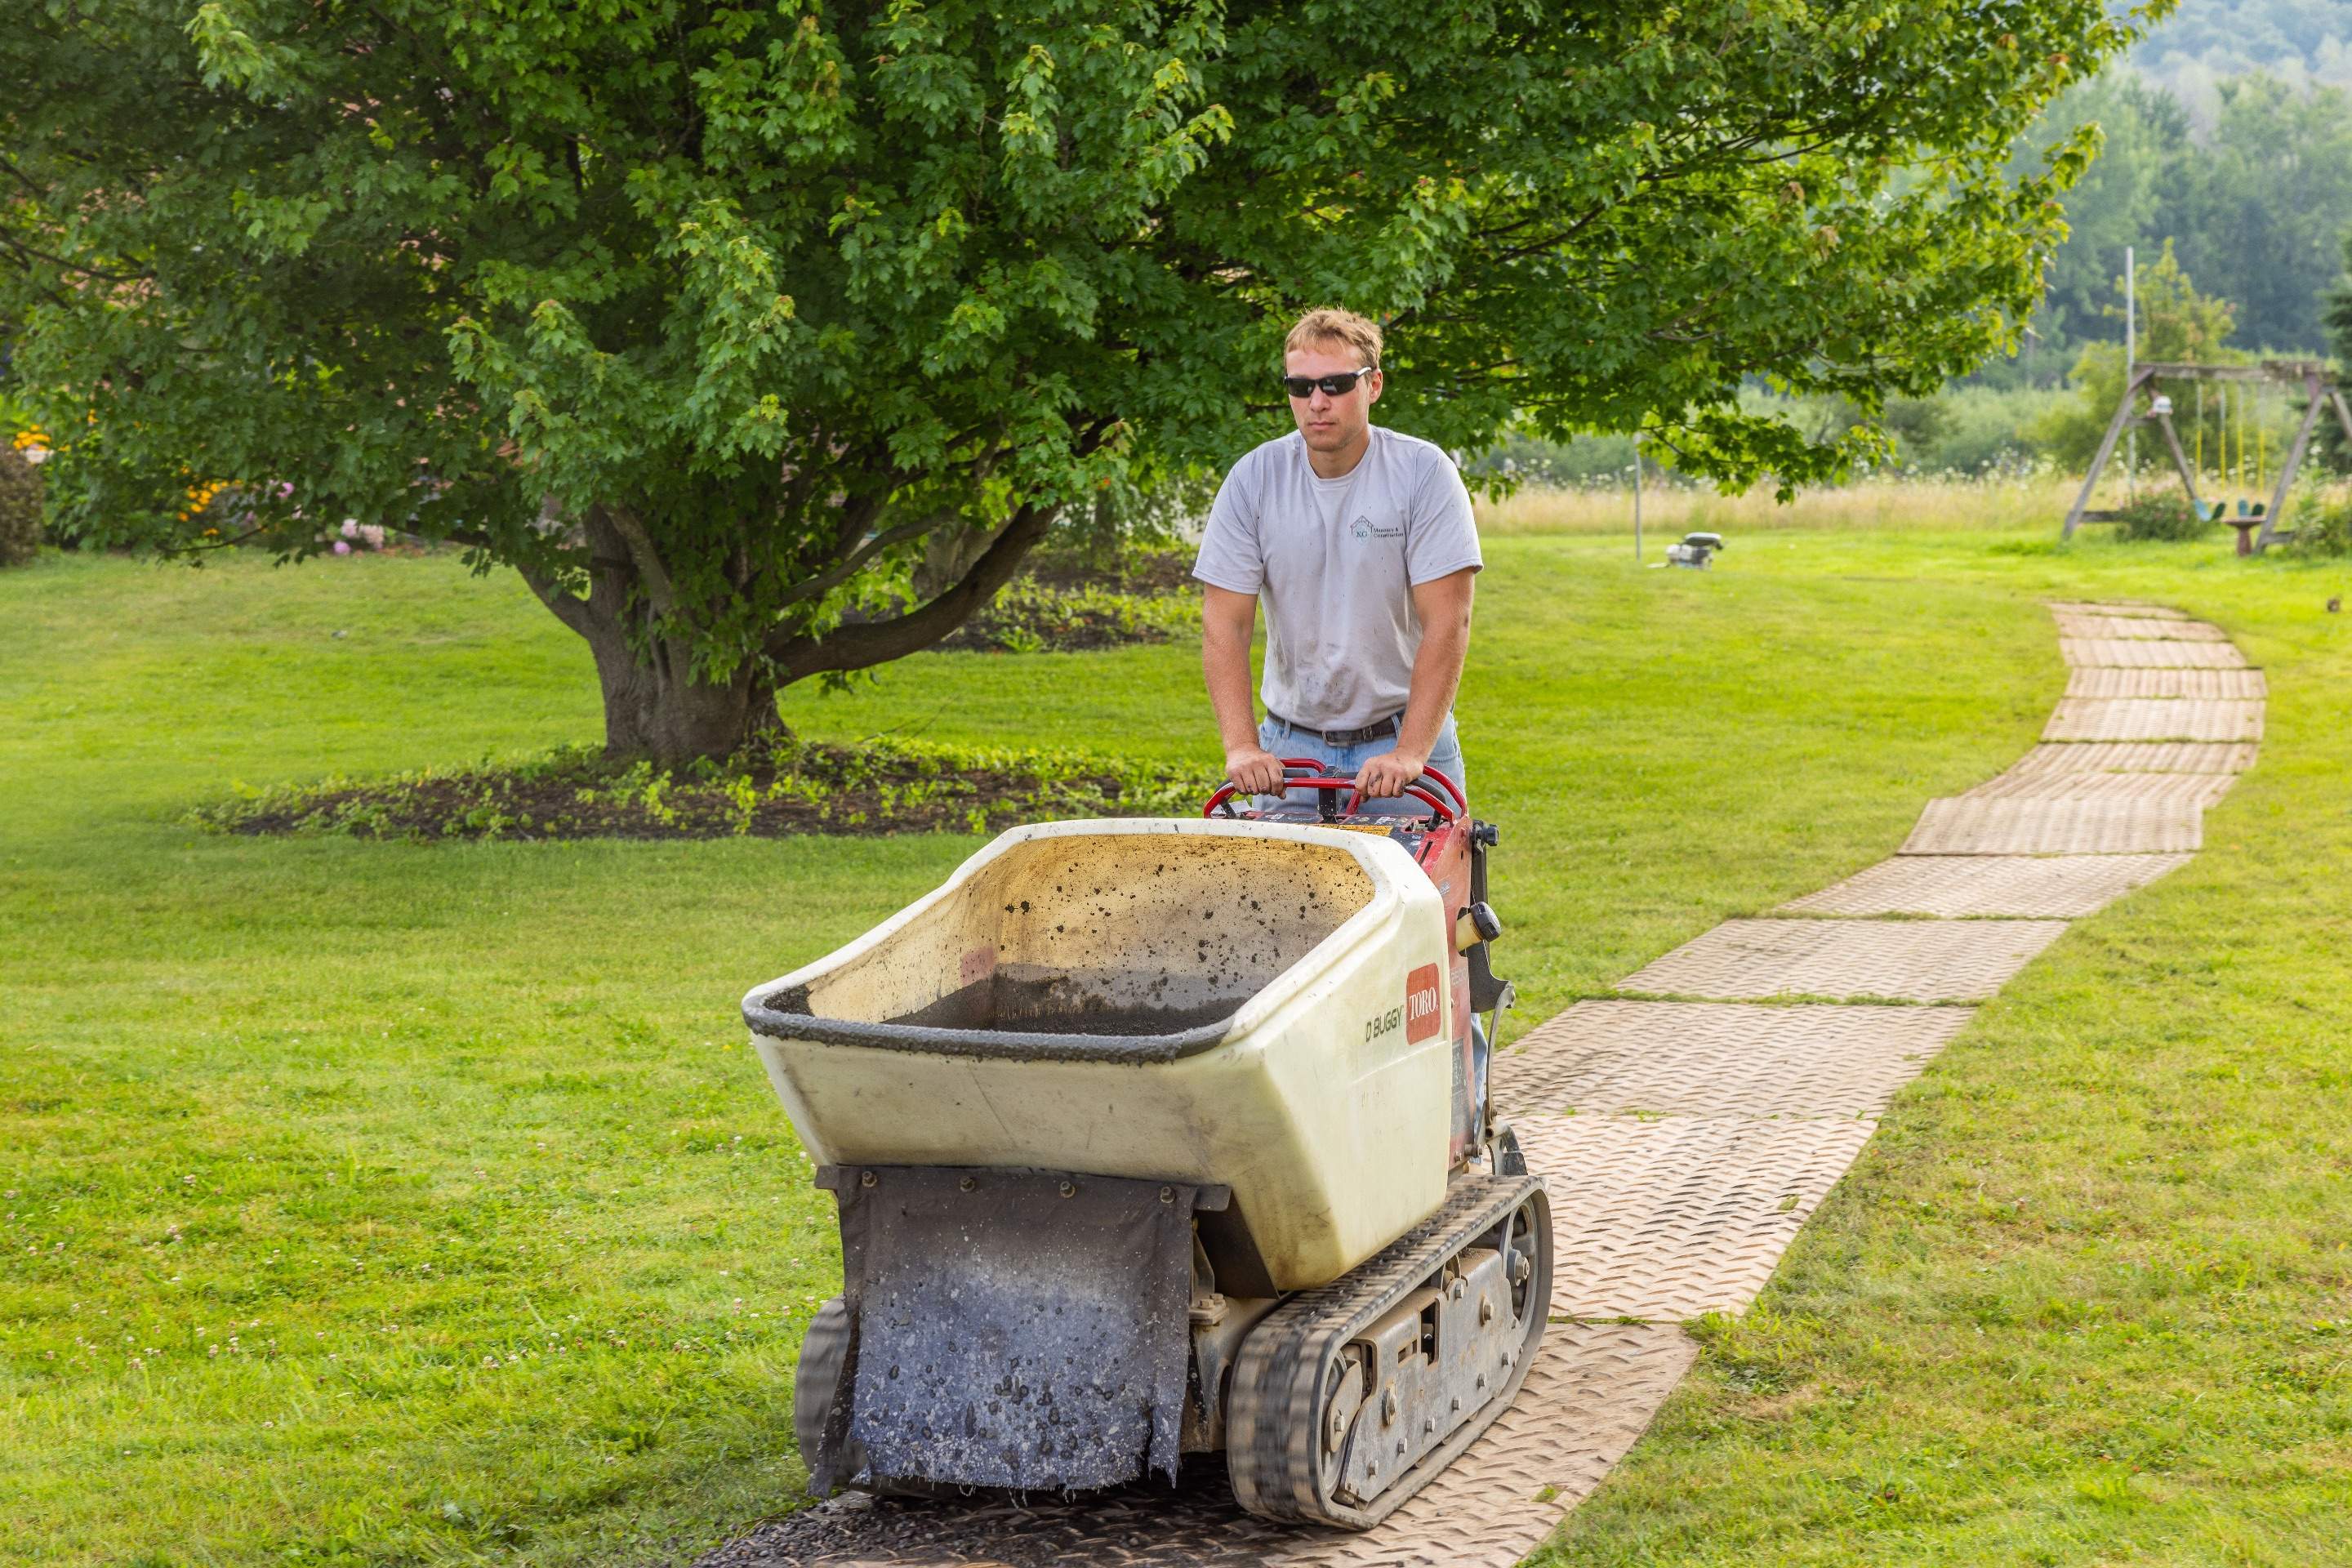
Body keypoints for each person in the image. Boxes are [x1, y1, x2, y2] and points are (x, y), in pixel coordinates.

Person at [1192, 307, 1481, 813]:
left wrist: (1410, 753)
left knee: (1428, 892)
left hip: (1401, 744)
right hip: (1290, 755)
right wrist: (1242, 746)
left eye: (1336, 384)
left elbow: (1449, 622)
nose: (1317, 403)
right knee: (1277, 895)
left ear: (1373, 386)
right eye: (1300, 388)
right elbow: (1225, 625)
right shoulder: (1254, 478)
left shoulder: (1422, 473)